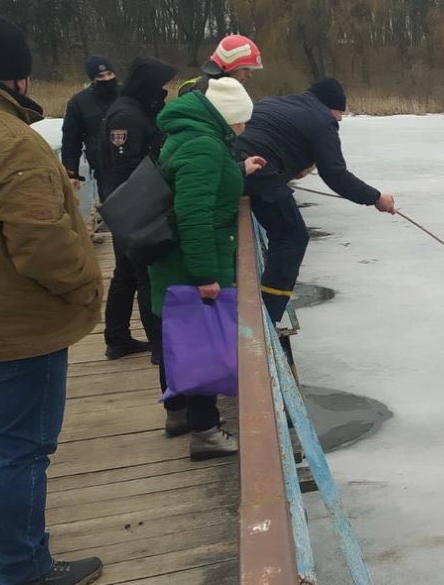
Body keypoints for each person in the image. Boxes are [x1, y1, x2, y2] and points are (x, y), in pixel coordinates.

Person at [0, 14, 105, 585]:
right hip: (17, 330)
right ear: (18, 79)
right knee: (20, 451)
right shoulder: (10, 141)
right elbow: (43, 246)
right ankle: (24, 569)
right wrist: (85, 286)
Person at [151, 77, 266, 459]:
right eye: (240, 121)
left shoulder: (195, 137)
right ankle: (206, 432)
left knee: (186, 343)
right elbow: (194, 213)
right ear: (228, 116)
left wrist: (238, 169)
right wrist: (205, 276)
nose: (242, 129)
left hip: (185, 263)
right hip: (195, 265)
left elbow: (203, 185)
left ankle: (180, 415)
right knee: (202, 349)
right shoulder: (204, 145)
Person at [234, 77, 396, 323]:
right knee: (292, 237)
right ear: (330, 106)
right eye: (340, 112)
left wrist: (291, 168)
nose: (340, 119)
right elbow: (336, 175)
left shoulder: (278, 103)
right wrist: (376, 198)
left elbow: (274, 141)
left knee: (281, 229)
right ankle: (267, 314)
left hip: (234, 165)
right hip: (259, 173)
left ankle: (258, 306)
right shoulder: (322, 121)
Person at [96, 57, 177, 362]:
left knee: (126, 274)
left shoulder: (134, 109)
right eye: (160, 85)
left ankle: (117, 338)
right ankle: (159, 347)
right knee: (144, 276)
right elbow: (127, 167)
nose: (164, 92)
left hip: (128, 205)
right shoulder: (126, 117)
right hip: (132, 209)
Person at [60, 55, 119, 189]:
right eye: (101, 76)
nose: (107, 79)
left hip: (134, 165)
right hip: (104, 169)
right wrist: (71, 173)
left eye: (109, 74)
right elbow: (71, 140)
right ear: (93, 79)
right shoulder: (79, 103)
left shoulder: (126, 94)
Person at [177, 34, 263, 96]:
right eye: (245, 69)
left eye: (251, 70)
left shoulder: (199, 87)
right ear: (227, 66)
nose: (249, 75)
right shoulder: (212, 95)